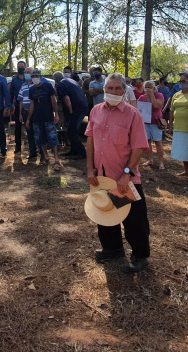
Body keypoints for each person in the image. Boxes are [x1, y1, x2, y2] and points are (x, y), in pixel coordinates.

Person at [86, 73, 150, 274]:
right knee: (105, 214)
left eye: (117, 88)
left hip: (123, 178)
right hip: (102, 176)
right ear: (104, 90)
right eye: (109, 88)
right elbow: (90, 141)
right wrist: (89, 168)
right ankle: (112, 249)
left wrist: (126, 173)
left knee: (133, 220)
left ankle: (140, 255)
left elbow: (139, 147)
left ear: (124, 90)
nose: (113, 92)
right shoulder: (96, 111)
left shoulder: (132, 114)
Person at [167, 73, 188, 178]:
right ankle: (187, 171)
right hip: (179, 126)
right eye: (180, 81)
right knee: (183, 150)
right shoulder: (176, 95)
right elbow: (172, 111)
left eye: (183, 81)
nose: (181, 83)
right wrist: (170, 125)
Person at [27, 69, 62, 170]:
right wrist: (29, 119)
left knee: (53, 138)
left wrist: (56, 114)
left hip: (48, 117)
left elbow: (53, 101)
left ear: (40, 77)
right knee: (39, 139)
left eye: (36, 76)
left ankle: (56, 160)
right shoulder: (32, 89)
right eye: (33, 77)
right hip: (37, 119)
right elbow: (32, 104)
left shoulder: (47, 86)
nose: (35, 78)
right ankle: (46, 158)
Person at [55, 71, 88, 160]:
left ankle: (81, 152)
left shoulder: (61, 85)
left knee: (72, 130)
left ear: (55, 80)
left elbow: (66, 99)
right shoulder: (70, 80)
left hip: (76, 108)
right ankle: (74, 150)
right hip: (82, 106)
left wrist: (70, 112)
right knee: (70, 129)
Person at [138, 81, 165, 169]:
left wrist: (151, 96)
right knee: (147, 142)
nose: (147, 89)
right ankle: (150, 159)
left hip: (155, 123)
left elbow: (156, 105)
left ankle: (161, 162)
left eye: (149, 87)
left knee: (158, 142)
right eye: (146, 87)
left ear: (154, 88)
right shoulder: (141, 97)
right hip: (145, 123)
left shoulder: (159, 95)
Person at [9, 61, 31, 154]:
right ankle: (18, 146)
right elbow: (11, 94)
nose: (21, 68)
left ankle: (32, 147)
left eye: (22, 66)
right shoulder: (14, 80)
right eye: (19, 67)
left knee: (29, 126)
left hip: (30, 106)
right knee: (18, 127)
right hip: (18, 106)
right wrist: (10, 105)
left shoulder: (29, 79)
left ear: (25, 68)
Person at [16, 76, 38, 163]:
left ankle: (41, 152)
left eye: (29, 72)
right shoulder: (23, 86)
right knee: (29, 132)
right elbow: (21, 100)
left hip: (36, 112)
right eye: (26, 72)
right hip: (25, 112)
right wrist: (20, 113)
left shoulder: (36, 85)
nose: (27, 74)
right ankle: (32, 151)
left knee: (38, 131)